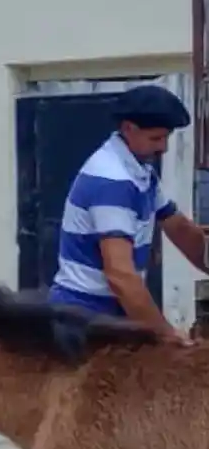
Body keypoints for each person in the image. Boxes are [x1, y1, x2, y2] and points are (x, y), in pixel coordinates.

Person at [50, 84, 207, 341]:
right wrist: (167, 335)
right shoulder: (112, 180)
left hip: (113, 311)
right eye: (156, 138)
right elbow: (120, 275)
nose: (164, 148)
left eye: (166, 137)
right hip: (84, 317)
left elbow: (178, 228)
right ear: (128, 129)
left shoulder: (141, 170)